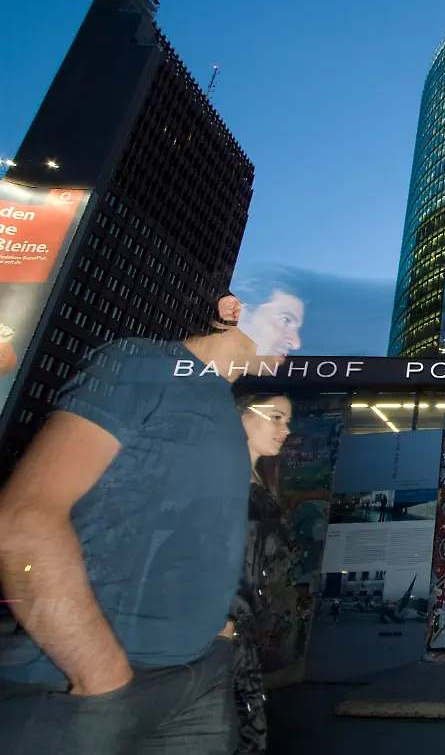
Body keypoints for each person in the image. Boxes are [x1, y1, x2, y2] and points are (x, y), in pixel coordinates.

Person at [0, 292, 288, 755]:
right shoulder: (143, 364)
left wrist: (218, 634)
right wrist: (98, 672)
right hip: (92, 681)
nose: (294, 337)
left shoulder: (225, 413)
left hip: (202, 673)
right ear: (232, 310)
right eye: (285, 319)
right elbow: (25, 519)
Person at [228, 392, 293, 755]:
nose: (285, 428)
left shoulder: (259, 479)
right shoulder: (220, 476)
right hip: (220, 633)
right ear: (240, 416)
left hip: (241, 633)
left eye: (287, 420)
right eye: (276, 417)